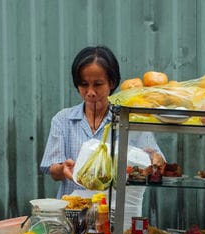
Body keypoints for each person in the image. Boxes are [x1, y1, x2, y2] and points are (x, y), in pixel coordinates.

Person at [39, 45, 165, 200]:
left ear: (112, 83)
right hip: (73, 212)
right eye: (84, 85)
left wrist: (154, 159)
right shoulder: (63, 120)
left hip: (115, 213)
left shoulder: (129, 119)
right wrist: (62, 168)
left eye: (98, 84)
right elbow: (53, 169)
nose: (90, 92)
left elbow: (155, 159)